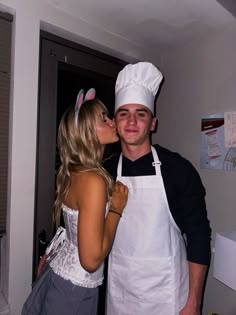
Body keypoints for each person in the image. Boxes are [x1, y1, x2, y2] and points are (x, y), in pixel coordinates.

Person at [104, 62, 211, 315]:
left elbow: (198, 237)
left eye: (140, 113)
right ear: (115, 122)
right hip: (120, 293)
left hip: (167, 296)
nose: (131, 121)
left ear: (153, 123)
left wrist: (193, 303)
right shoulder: (104, 172)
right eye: (124, 113)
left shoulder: (179, 170)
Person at [21, 88, 128, 315]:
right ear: (88, 134)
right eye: (103, 118)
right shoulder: (94, 181)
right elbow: (90, 260)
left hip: (59, 277)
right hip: (74, 291)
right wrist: (116, 210)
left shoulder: (75, 172)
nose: (112, 122)